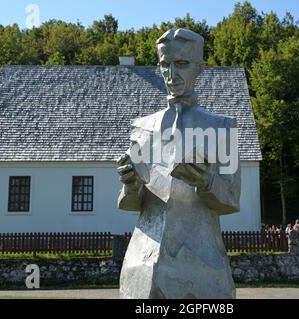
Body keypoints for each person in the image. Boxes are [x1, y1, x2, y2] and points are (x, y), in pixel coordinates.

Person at [117, 28, 240, 299]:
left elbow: (231, 201)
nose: (172, 75)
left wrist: (206, 181)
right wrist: (130, 184)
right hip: (142, 263)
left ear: (199, 68)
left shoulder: (222, 127)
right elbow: (130, 203)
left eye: (182, 64)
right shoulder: (141, 128)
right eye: (165, 65)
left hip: (202, 267)